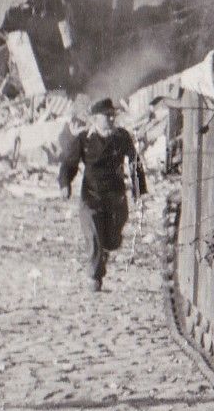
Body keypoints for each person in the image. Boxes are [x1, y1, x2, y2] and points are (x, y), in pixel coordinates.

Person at [58, 97, 147, 292]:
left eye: (113, 115)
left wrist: (139, 189)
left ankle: (104, 252)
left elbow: (134, 162)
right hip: (91, 196)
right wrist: (65, 184)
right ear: (95, 118)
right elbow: (69, 163)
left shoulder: (121, 137)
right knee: (94, 236)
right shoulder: (84, 139)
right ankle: (94, 277)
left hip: (115, 198)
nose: (112, 119)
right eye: (107, 116)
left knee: (112, 240)